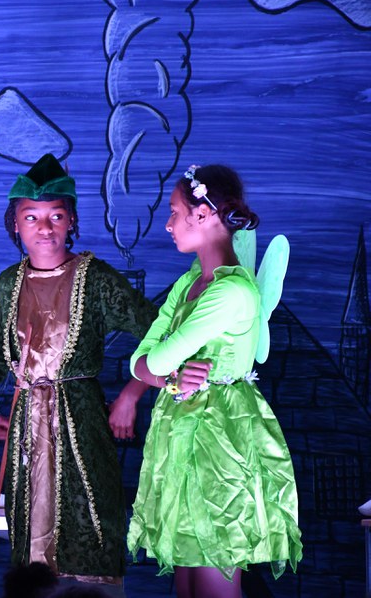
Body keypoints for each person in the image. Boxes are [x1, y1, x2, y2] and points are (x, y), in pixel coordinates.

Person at [0, 154, 157, 596]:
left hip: (81, 421)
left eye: (55, 215)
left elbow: (159, 332)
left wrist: (131, 394)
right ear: (15, 225)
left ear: (71, 220)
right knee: (30, 534)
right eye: (31, 217)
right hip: (25, 427)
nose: (44, 227)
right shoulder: (8, 284)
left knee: (89, 518)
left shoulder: (96, 278)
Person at [121, 164, 302, 597]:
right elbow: (138, 363)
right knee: (187, 578)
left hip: (219, 436)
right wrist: (168, 377)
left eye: (175, 212)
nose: (168, 224)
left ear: (202, 214)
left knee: (212, 567)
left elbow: (157, 358)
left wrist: (161, 370)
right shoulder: (189, 283)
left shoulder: (231, 292)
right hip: (181, 432)